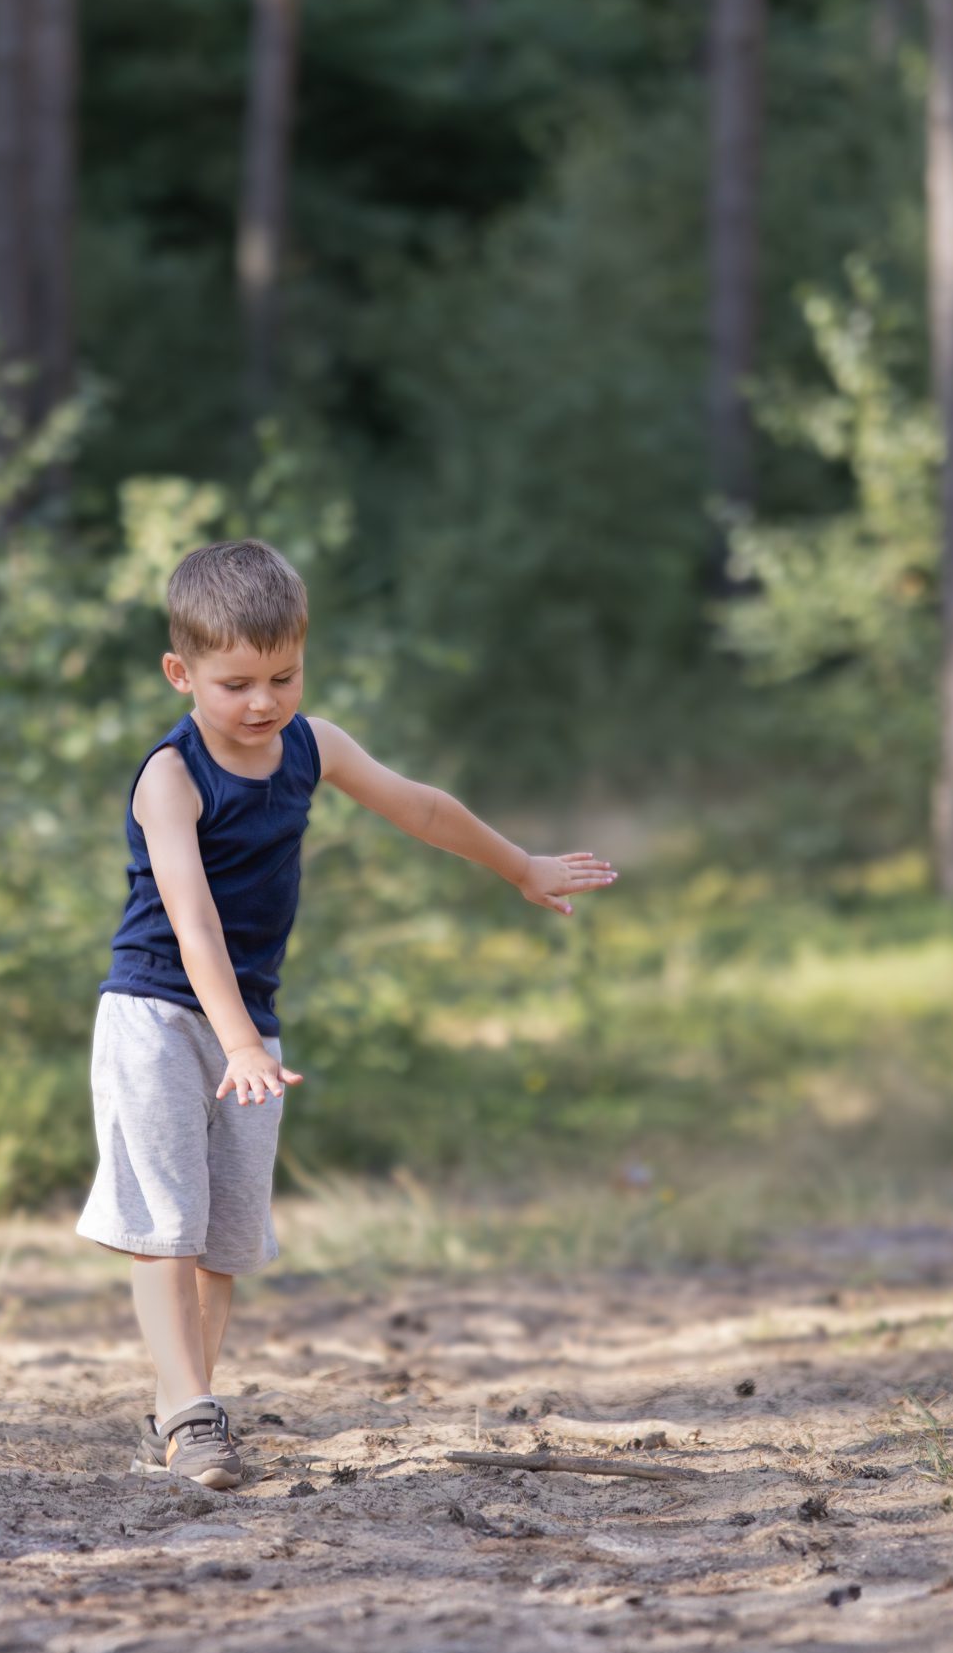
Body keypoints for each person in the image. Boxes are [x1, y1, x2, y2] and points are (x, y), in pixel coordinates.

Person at [77, 538, 620, 1488]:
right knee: (167, 1223)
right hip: (156, 1016)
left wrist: (521, 866)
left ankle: (178, 1410)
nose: (263, 702)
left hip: (248, 1025)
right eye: (236, 683)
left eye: (283, 676)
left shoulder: (312, 746)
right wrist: (236, 1042)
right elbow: (192, 922)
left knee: (222, 1238)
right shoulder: (171, 777)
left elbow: (423, 809)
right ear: (180, 672)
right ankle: (192, 1413)